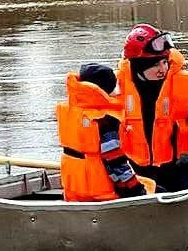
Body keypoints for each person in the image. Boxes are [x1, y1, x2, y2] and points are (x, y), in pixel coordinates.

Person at [116, 24, 188, 192]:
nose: (163, 69)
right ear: (138, 65)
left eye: (164, 62)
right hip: (134, 171)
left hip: (180, 168)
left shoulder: (185, 86)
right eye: (155, 65)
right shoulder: (116, 88)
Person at [55, 62, 152, 202]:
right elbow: (114, 160)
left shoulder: (70, 111)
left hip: (73, 189)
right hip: (100, 191)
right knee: (153, 186)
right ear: (104, 89)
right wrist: (135, 189)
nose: (118, 89)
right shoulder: (106, 119)